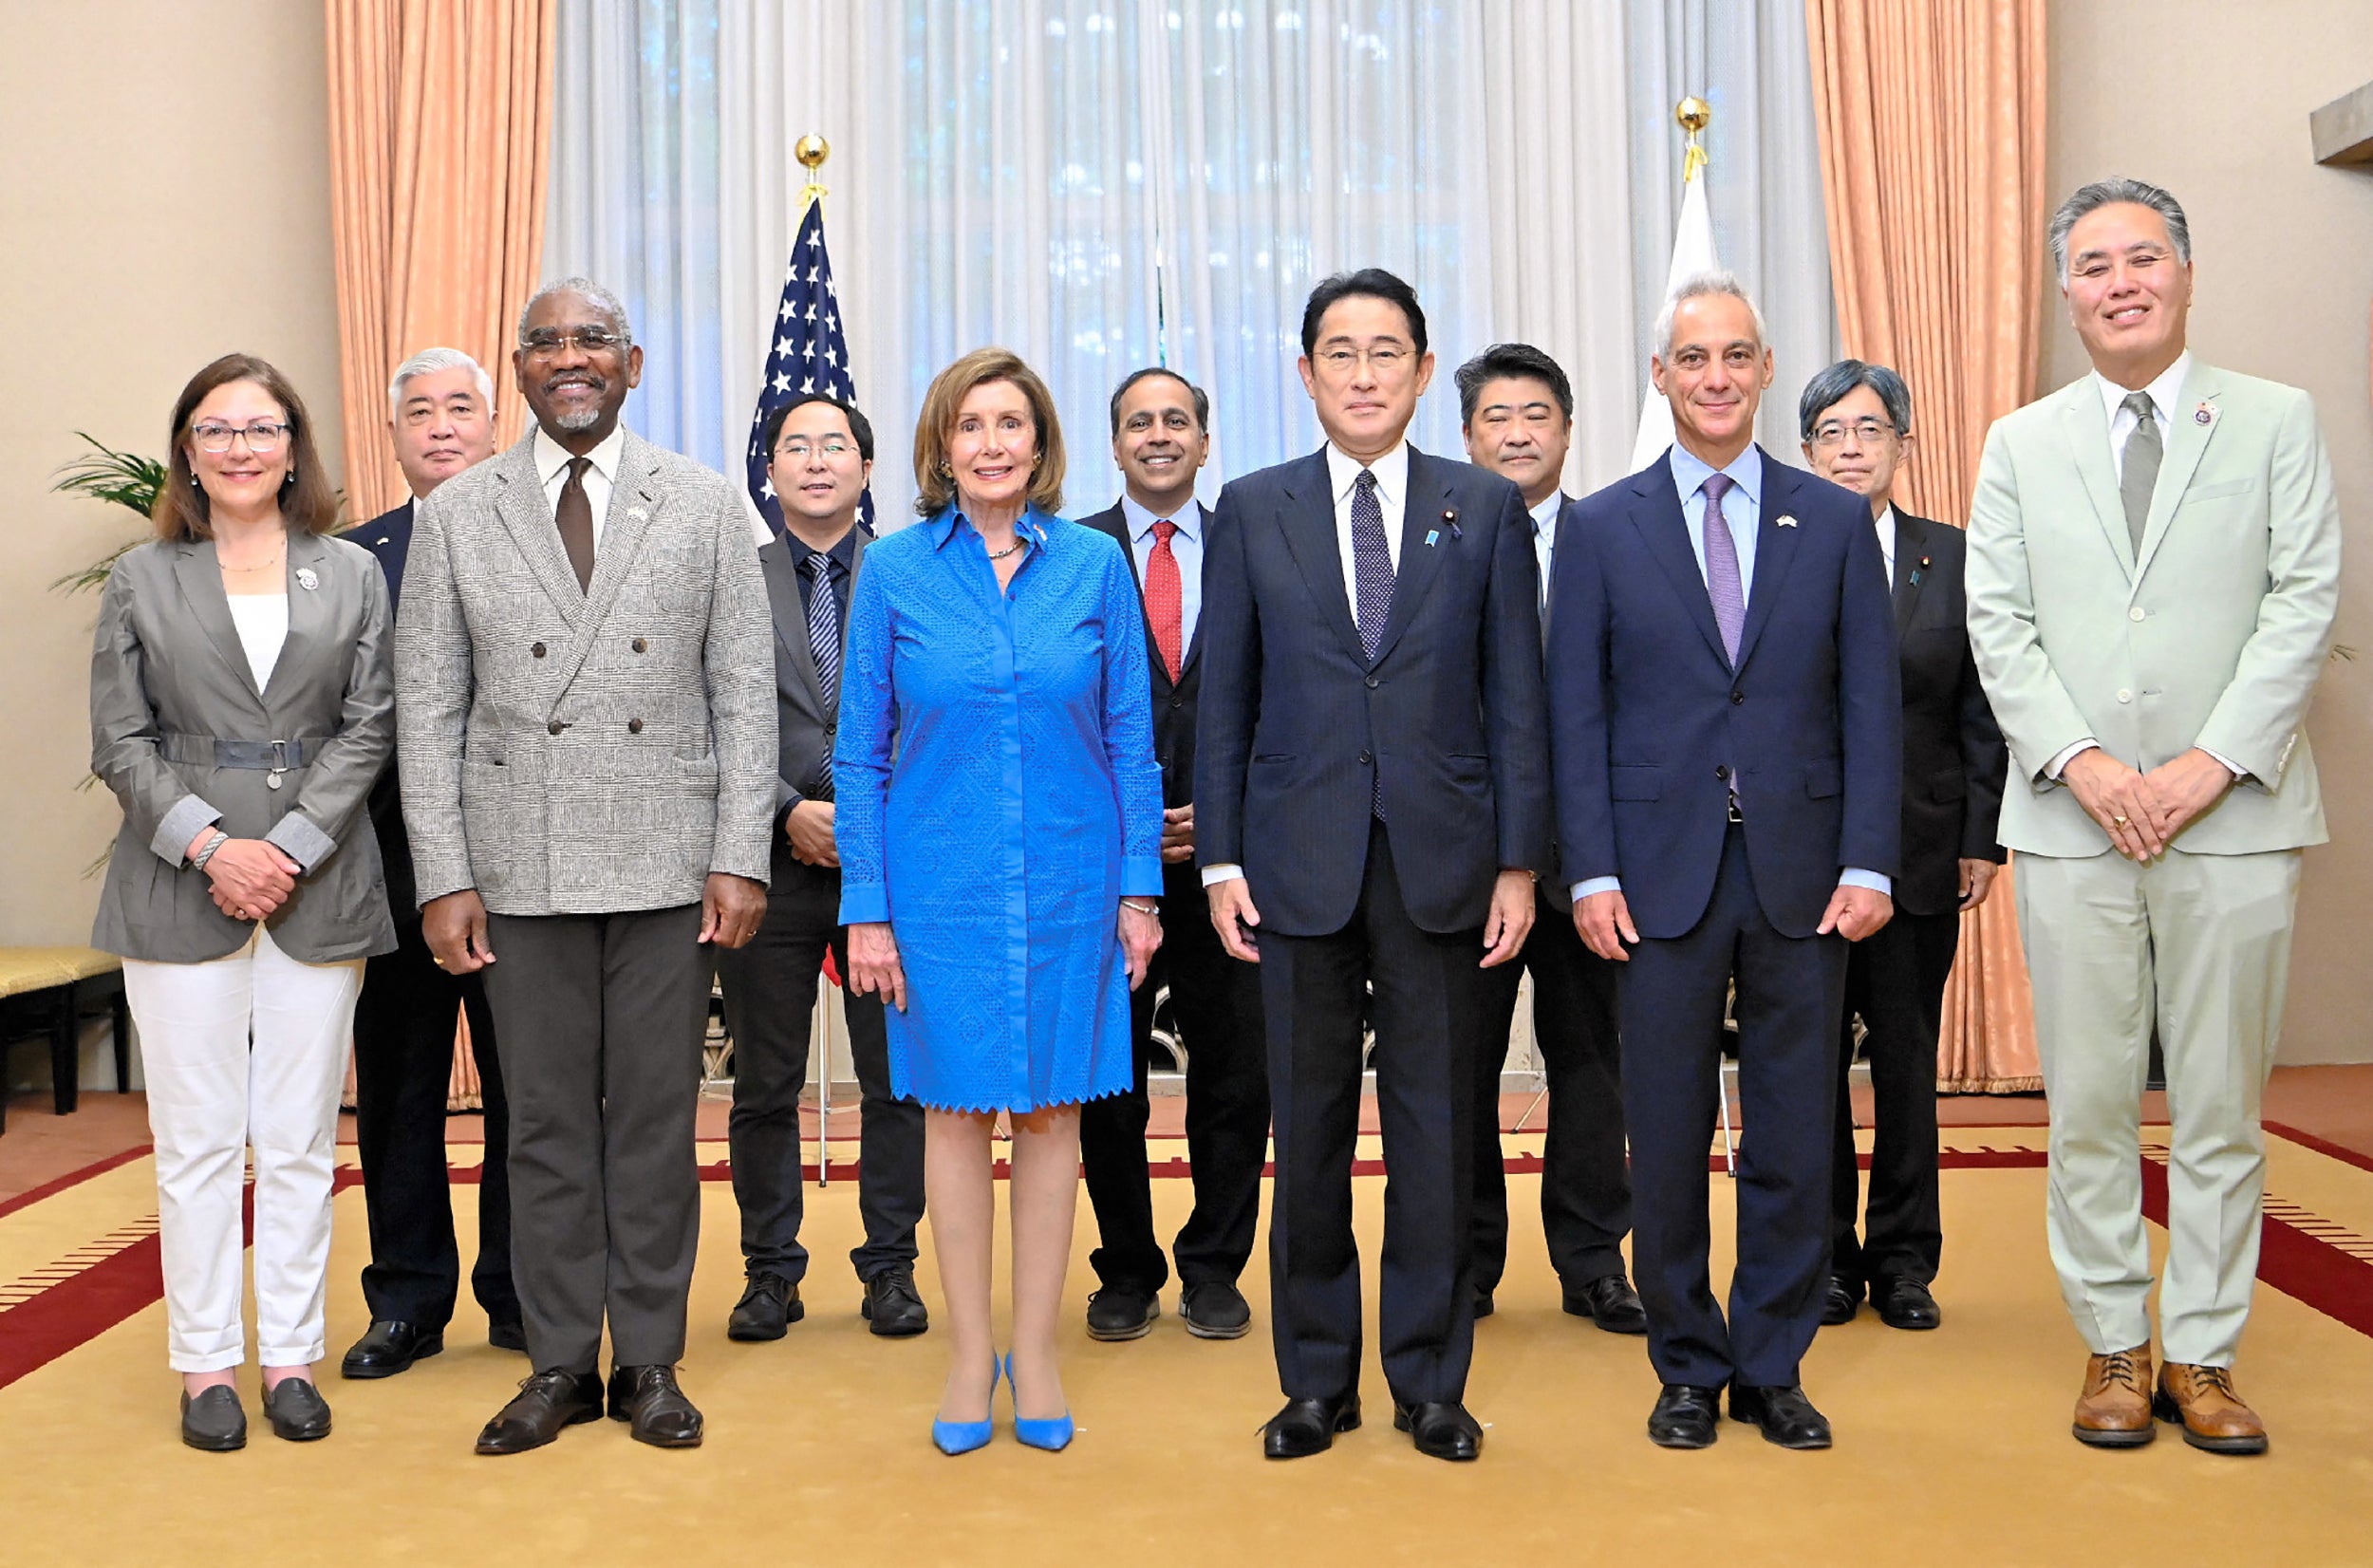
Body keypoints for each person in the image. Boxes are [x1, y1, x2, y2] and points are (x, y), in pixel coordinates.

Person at [1966, 178, 2339, 1456]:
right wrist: (2086, 764)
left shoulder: (2278, 420)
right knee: (2086, 1102)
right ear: (2066, 291)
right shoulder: (2020, 440)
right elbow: (1998, 623)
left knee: (2225, 1104)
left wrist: (2207, 764)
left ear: (2185, 273)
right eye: (2093, 264)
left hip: (2231, 819)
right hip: (2074, 823)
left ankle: (2204, 1352)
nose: (2120, 280)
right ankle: (2116, 1345)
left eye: (2142, 258)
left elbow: (2305, 601)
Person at [396, 277, 777, 1454]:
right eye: (549, 343)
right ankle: (559, 1360)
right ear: (519, 370)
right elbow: (428, 708)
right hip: (520, 861)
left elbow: (742, 692)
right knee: (546, 1122)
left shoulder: (708, 504)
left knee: (657, 1120)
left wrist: (740, 853)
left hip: (669, 858)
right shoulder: (460, 513)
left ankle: (650, 1358)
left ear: (634, 361)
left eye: (593, 341)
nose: (572, 359)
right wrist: (443, 874)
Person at [1199, 269, 1550, 1464]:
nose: (1362, 373)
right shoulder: (1250, 508)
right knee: (1304, 1133)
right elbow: (1226, 701)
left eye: (1385, 352)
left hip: (1444, 862)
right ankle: (1314, 1381)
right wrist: (1221, 858)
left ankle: (1431, 1380)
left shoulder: (1483, 509)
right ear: (1303, 373)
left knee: (1437, 1130)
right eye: (1338, 352)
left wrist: (1519, 862)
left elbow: (1518, 701)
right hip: (1294, 863)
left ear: (1419, 370)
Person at [1548, 271, 1900, 1452]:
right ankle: (1687, 1359)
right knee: (1667, 1124)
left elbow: (1870, 708)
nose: (1714, 377)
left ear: (1760, 369)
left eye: (1736, 356)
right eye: (1692, 358)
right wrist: (1587, 872)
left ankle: (1773, 1358)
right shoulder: (1601, 526)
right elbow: (1575, 718)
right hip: (1653, 874)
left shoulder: (1836, 521)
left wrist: (1871, 859)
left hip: (1805, 871)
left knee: (1798, 1132)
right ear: (1660, 375)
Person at [836, 347, 1162, 1455]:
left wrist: (1139, 891)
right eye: (971, 423)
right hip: (940, 895)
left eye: (1011, 423)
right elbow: (857, 759)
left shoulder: (1093, 567)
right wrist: (868, 908)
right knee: (957, 1115)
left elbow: (1130, 739)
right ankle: (973, 1352)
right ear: (941, 445)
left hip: (1073, 883)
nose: (991, 442)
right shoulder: (892, 570)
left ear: (1039, 443)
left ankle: (1041, 1344)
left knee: (1058, 1114)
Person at [89, 354, 395, 1450]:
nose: (239, 448)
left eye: (261, 428)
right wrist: (214, 847)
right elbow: (119, 742)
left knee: (302, 1138)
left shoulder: (350, 573)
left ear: (293, 446)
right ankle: (208, 1361)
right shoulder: (143, 575)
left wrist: (290, 848)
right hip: (178, 886)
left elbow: (371, 724)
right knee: (200, 1142)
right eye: (216, 430)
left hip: (318, 883)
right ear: (186, 449)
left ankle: (291, 1357)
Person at [1797, 360, 2008, 1335]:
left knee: (1906, 1064)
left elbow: (1980, 710)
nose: (1850, 447)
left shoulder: (1953, 557)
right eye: (1831, 431)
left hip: (1922, 848)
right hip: (1801, 857)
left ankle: (1904, 1259)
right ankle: (1829, 1258)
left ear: (1901, 445)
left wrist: (1978, 837)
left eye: (1868, 430)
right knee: (1808, 1068)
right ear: (1804, 450)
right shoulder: (1775, 554)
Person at [715, 391, 927, 1343]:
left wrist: (867, 817)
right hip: (769, 858)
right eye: (793, 446)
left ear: (866, 466)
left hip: (891, 863)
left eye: (833, 445)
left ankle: (891, 1266)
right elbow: (703, 714)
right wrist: (788, 807)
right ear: (770, 470)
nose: (813, 461)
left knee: (894, 1079)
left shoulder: (913, 574)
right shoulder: (731, 575)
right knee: (764, 1081)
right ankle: (770, 1270)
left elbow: (936, 713)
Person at [1075, 366, 1270, 1345]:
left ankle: (1213, 1264)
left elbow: (1289, 697)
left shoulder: (1260, 543)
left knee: (1236, 1075)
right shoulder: (1068, 553)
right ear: (1113, 445)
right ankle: (1126, 1267)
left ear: (1204, 439)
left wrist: (1226, 815)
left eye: (1176, 420)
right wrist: (1129, 823)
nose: (1158, 435)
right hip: (1110, 868)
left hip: (1234, 862)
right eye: (1138, 422)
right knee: (1108, 1075)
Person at [1454, 343, 1644, 1335]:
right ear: (1466, 434)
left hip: (1590, 858)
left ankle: (1591, 1257)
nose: (1518, 432)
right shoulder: (1433, 539)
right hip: (1467, 860)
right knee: (1460, 1063)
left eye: (1537, 414)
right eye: (1496, 415)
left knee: (1592, 1061)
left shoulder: (1613, 538)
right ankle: (1469, 1257)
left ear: (1567, 430)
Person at [342, 347, 522, 1379]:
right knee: (402, 1094)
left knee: (523, 1095)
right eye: (420, 411)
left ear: (494, 427)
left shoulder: (543, 539)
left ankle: (515, 1293)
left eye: (461, 407)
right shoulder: (351, 560)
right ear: (396, 433)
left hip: (522, 870)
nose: (442, 426)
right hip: (391, 871)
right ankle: (405, 1300)